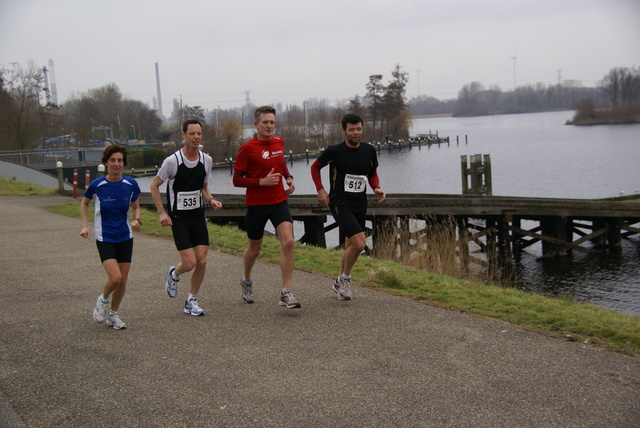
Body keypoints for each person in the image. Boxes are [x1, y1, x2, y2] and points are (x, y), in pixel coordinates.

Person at [150, 119, 222, 316]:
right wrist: (162, 212)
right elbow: (154, 185)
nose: (196, 137)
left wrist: (212, 200)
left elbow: (204, 189)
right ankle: (174, 274)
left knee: (202, 261)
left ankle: (191, 300)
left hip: (197, 216)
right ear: (184, 135)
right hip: (178, 218)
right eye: (192, 134)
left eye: (199, 134)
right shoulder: (172, 161)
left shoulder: (206, 160)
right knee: (189, 263)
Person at [310, 113, 386, 300]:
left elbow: (372, 173)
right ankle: (345, 279)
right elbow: (315, 167)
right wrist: (320, 190)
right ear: (344, 131)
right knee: (360, 244)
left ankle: (339, 284)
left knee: (350, 244)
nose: (355, 132)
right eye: (351, 129)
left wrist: (376, 187)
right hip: (339, 202)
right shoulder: (334, 151)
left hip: (360, 202)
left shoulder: (369, 150)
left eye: (358, 128)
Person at [232, 105, 301, 309]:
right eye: (265, 122)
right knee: (254, 251)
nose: (269, 126)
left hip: (279, 200)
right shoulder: (247, 148)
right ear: (256, 125)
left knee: (288, 242)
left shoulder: (279, 142)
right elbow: (237, 180)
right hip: (256, 205)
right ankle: (246, 280)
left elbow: (281, 164)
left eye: (272, 122)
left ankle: (286, 293)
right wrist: (260, 182)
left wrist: (288, 177)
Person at [81, 144, 141, 330]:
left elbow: (136, 206)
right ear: (106, 162)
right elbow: (84, 204)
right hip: (105, 237)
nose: (117, 164)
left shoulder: (130, 184)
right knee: (114, 278)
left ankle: (113, 315)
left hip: (125, 236)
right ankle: (103, 300)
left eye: (120, 160)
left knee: (123, 280)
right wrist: (85, 225)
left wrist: (137, 220)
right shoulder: (97, 185)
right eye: (113, 160)